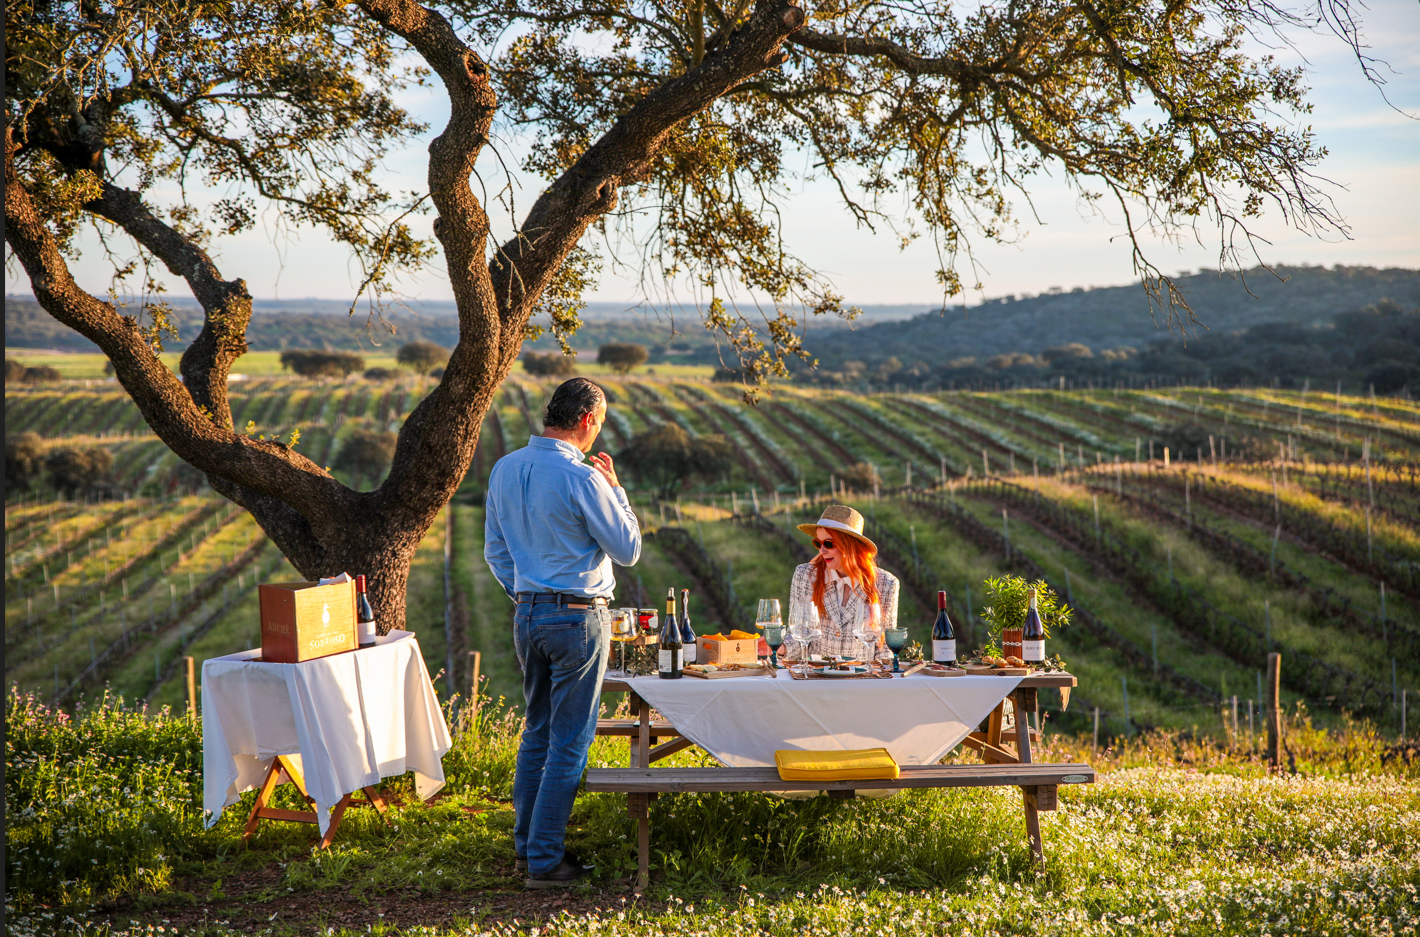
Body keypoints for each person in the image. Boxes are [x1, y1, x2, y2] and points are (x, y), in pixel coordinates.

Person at [484, 377, 641, 887]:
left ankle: (526, 846)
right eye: (601, 422)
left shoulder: (505, 469)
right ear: (587, 420)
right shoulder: (584, 478)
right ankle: (546, 861)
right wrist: (617, 491)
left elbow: (495, 551)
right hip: (578, 617)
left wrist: (527, 593)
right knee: (570, 741)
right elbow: (627, 549)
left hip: (527, 615)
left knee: (537, 731)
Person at [784, 504, 897, 664]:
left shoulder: (887, 584)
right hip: (816, 679)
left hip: (860, 681)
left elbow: (885, 650)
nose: (822, 551)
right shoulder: (805, 575)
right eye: (818, 543)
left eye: (829, 544)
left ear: (850, 545)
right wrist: (778, 647)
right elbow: (798, 636)